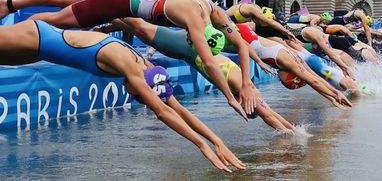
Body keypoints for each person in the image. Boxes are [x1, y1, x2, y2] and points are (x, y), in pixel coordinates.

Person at [0, 20, 244, 172]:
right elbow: (162, 112)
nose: (135, 98)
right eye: (139, 97)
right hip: (36, 38)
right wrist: (202, 145)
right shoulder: (128, 64)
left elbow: (178, 109)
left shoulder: (146, 67)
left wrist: (217, 141)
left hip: (40, 51)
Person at [0, 0, 259, 118]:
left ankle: (9, 5)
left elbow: (240, 44)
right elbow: (211, 64)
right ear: (198, 36)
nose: (190, 41)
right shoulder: (193, 22)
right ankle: (16, 32)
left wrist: (246, 83)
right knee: (56, 22)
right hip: (115, 3)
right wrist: (230, 98)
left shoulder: (211, 8)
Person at [104, 17, 295, 133]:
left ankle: (105, 26)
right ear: (247, 106)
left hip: (187, 47)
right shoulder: (243, 90)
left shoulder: (248, 89)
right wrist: (291, 135)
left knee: (139, 28)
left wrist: (292, 128)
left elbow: (270, 113)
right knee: (140, 27)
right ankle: (107, 15)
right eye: (245, 109)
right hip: (185, 48)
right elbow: (267, 115)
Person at [234, 23, 353, 110]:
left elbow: (315, 80)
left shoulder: (293, 60)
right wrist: (335, 95)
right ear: (290, 75)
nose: (280, 79)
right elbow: (314, 82)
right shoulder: (288, 62)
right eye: (283, 81)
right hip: (243, 33)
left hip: (247, 34)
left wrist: (332, 96)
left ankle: (355, 89)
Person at [225, 3, 296, 41]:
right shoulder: (253, 9)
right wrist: (286, 31)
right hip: (221, 22)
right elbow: (269, 21)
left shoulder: (249, 9)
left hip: (225, 22)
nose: (257, 24)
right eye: (260, 23)